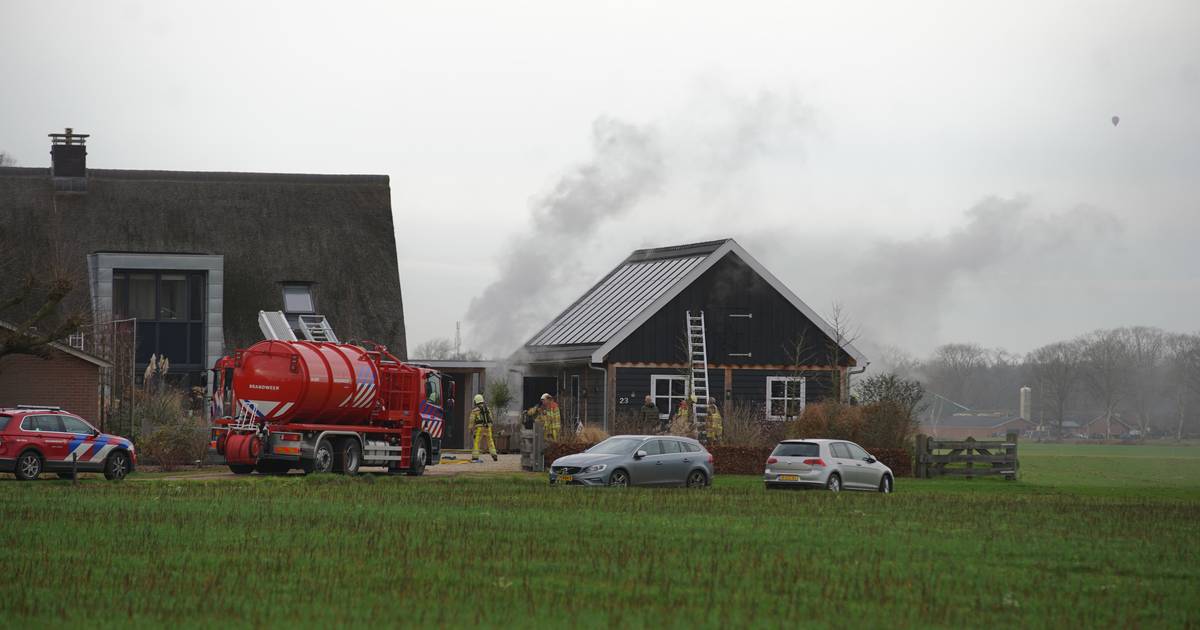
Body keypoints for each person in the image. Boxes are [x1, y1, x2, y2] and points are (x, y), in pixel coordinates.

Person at [469, 394, 499, 462]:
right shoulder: (487, 409)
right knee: (490, 441)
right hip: (488, 427)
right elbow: (491, 418)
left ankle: (475, 457)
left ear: (476, 401)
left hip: (479, 428)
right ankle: (494, 455)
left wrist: (470, 428)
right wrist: (490, 426)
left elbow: (471, 420)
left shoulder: (475, 410)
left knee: (477, 442)